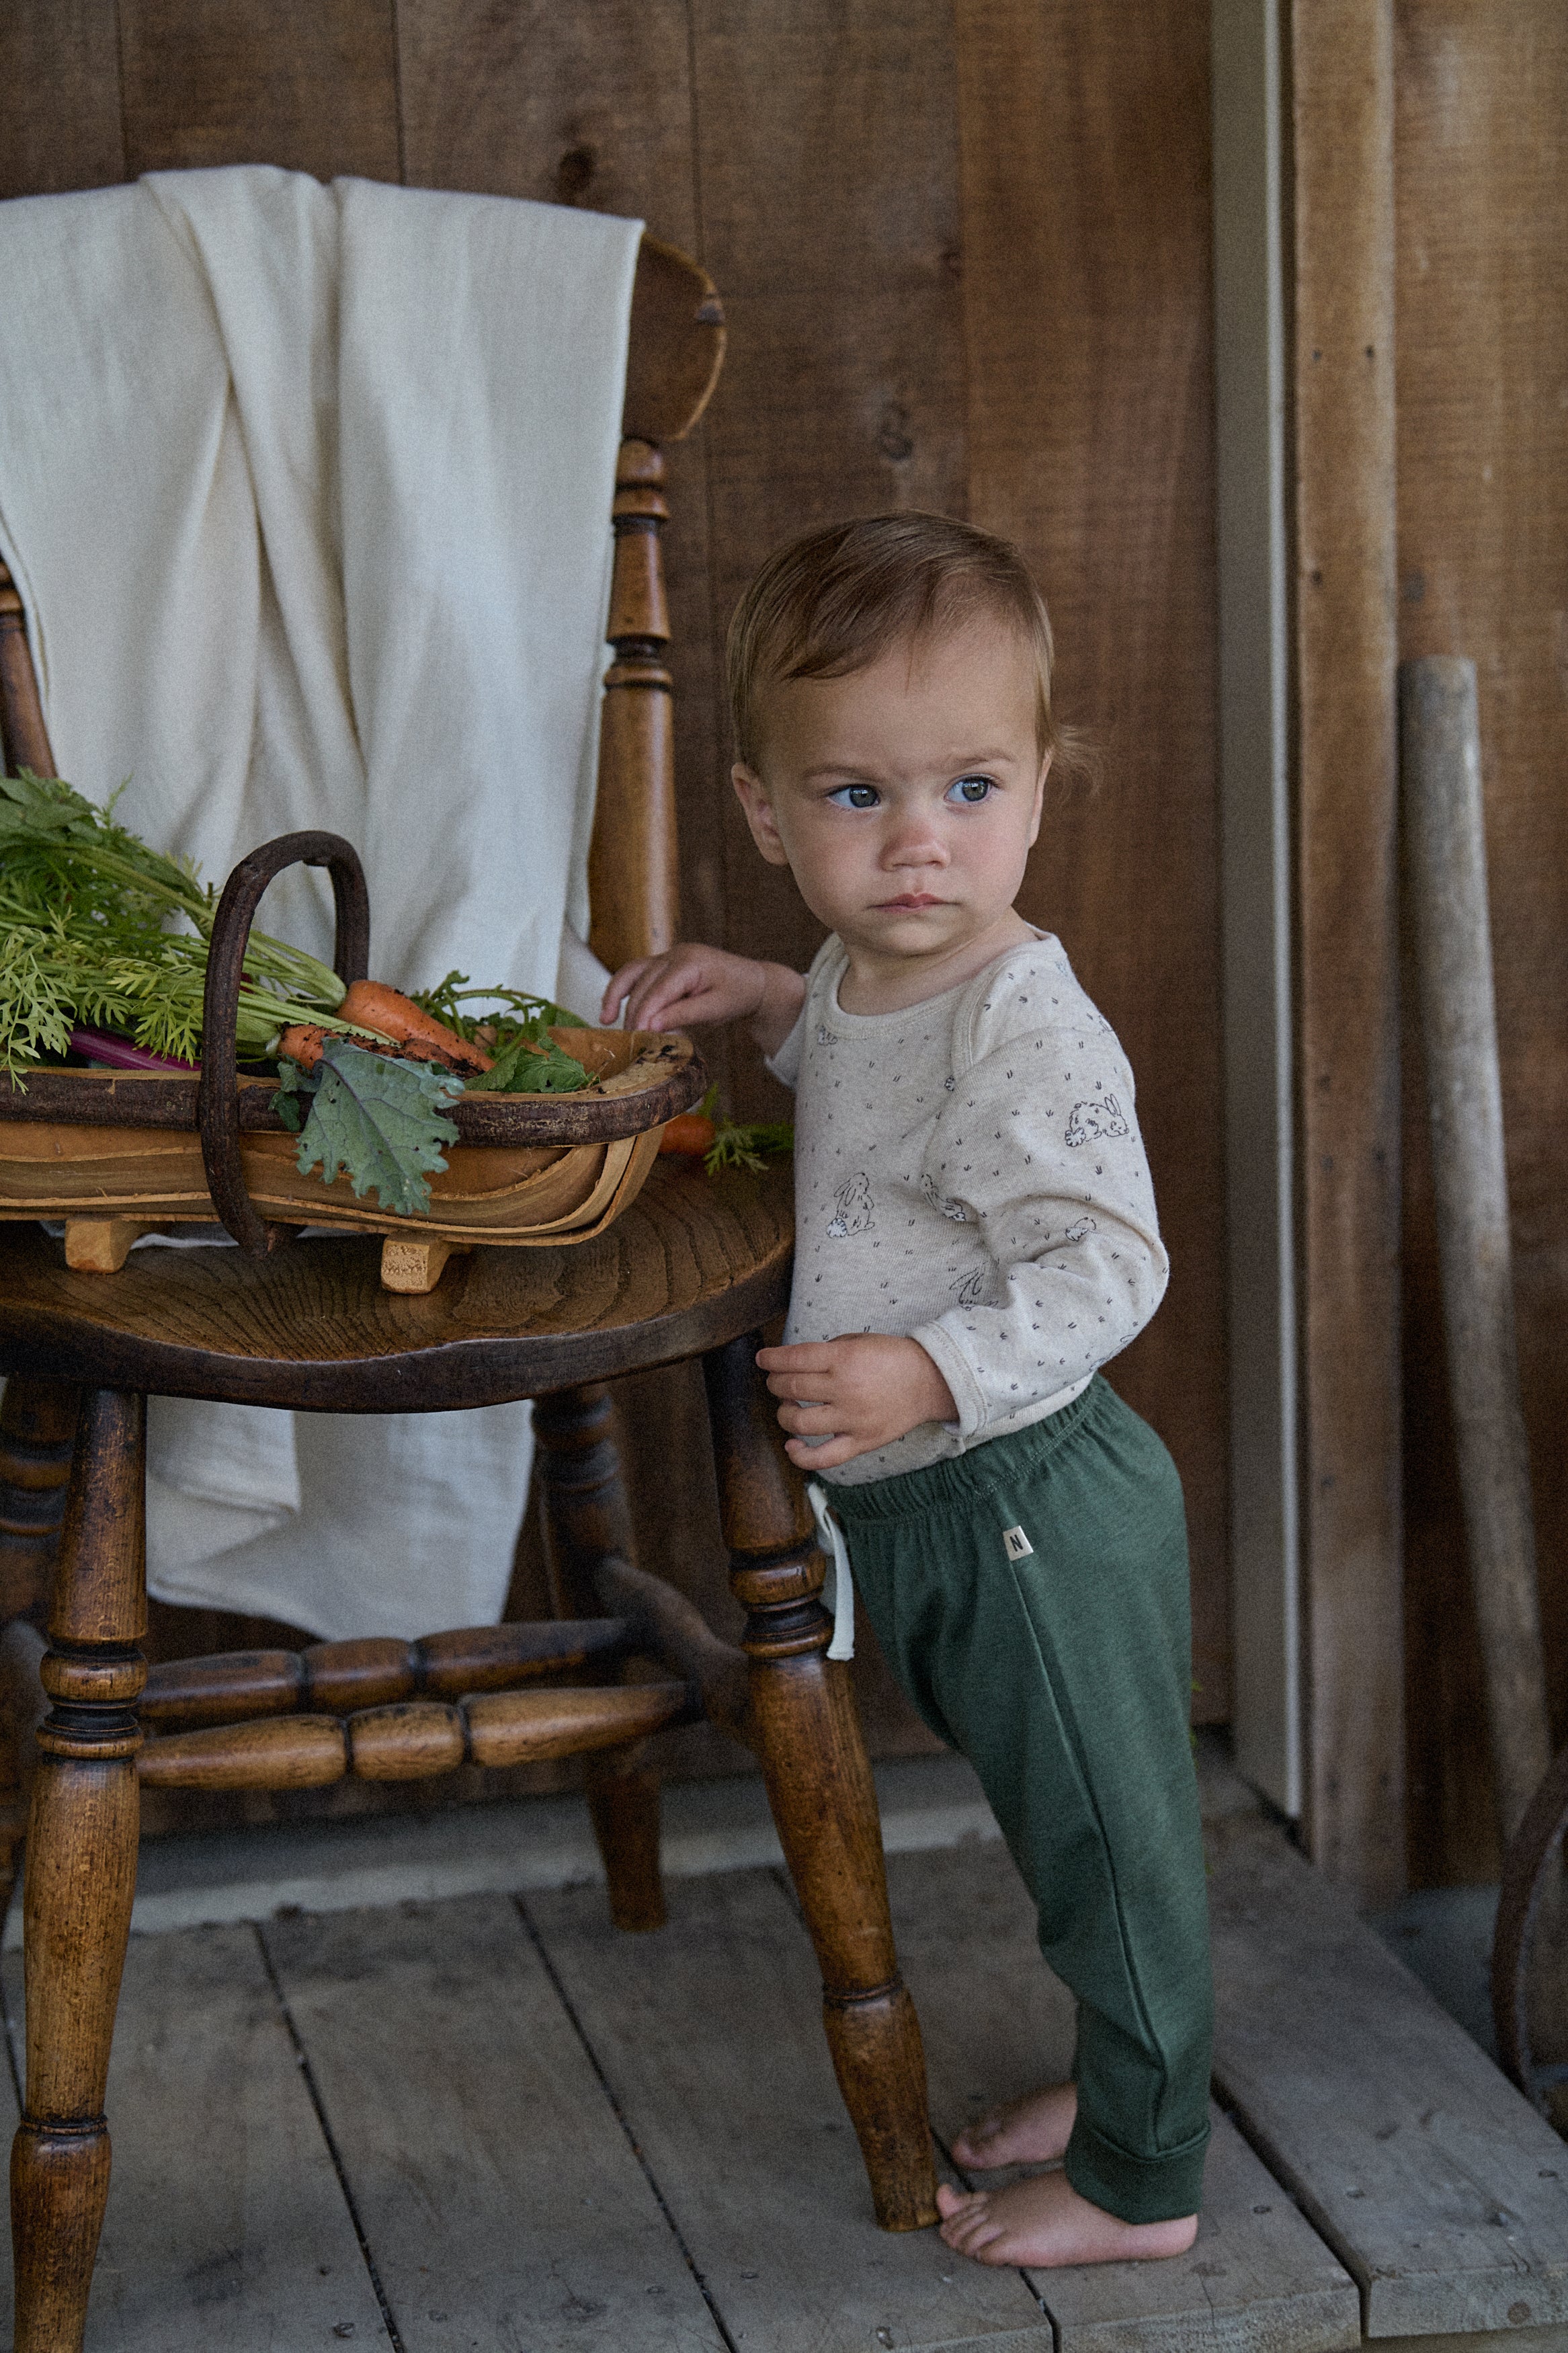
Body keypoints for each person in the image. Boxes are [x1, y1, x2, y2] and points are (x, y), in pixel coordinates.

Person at [602, 512, 1210, 2270]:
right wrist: (779, 1001)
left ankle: (1141, 2179)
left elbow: (1113, 1263)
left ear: (1040, 784)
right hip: (944, 1509)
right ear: (765, 811)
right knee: (1055, 1831)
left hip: (1031, 1503)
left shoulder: (1027, 1015)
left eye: (968, 786)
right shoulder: (881, 975)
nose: (920, 841)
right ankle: (1122, 2089)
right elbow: (887, 1103)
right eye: (857, 797)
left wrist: (926, 1363)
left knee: (1113, 1857)